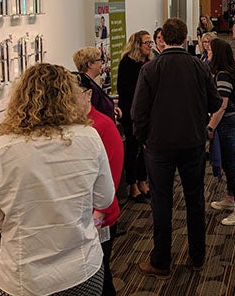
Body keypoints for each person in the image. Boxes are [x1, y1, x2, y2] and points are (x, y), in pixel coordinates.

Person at [0, 64, 115, 296]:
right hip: (81, 270)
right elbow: (105, 198)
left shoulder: (2, 148)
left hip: (22, 279)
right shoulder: (89, 137)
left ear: (21, 98)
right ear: (69, 96)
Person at [132, 18, 222, 277]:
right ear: (185, 38)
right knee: (195, 200)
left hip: (158, 147)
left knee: (162, 203)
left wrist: (143, 138)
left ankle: (161, 261)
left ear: (163, 39)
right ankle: (197, 256)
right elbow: (215, 102)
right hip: (193, 142)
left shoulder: (150, 69)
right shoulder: (198, 66)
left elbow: (139, 112)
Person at [75, 72, 124, 296]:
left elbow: (111, 177)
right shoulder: (66, 128)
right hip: (77, 219)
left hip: (99, 217)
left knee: (100, 275)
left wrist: (97, 218)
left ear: (88, 95)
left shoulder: (102, 126)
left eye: (72, 94)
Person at [206, 38, 235, 225]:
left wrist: (211, 126)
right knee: (226, 162)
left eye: (210, 51)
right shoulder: (224, 73)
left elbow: (222, 105)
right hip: (229, 122)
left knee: (230, 164)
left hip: (227, 123)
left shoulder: (223, 76)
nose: (207, 53)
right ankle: (230, 197)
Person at [117, 30, 153, 202]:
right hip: (131, 112)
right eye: (147, 43)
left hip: (147, 113)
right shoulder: (128, 63)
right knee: (132, 149)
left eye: (150, 42)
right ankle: (132, 185)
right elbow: (125, 90)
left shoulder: (150, 61)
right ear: (138, 45)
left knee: (144, 148)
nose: (150, 46)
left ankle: (142, 180)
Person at [73, 46, 122, 122]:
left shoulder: (89, 82)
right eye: (100, 60)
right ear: (90, 64)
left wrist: (112, 109)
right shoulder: (87, 86)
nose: (102, 63)